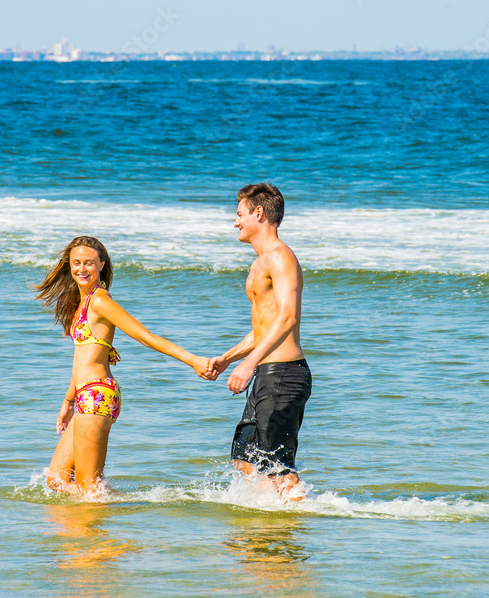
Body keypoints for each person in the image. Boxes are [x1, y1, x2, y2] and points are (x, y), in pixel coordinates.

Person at [35, 235, 211, 500]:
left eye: (89, 263)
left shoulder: (100, 301)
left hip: (97, 395)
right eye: (76, 263)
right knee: (57, 481)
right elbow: (81, 357)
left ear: (102, 265)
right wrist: (67, 401)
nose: (81, 269)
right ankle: (123, 511)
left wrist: (193, 360)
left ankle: (121, 536)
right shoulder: (81, 303)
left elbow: (145, 336)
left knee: (89, 492)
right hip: (84, 396)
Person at [205, 183, 311, 501]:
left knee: (277, 467)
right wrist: (228, 358)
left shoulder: (281, 258)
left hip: (284, 374)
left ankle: (297, 523)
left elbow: (288, 317)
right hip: (267, 375)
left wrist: (248, 363)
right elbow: (264, 326)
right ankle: (270, 530)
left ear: (258, 213)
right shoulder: (258, 265)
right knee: (245, 460)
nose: (235, 221)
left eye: (239, 214)